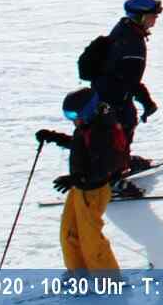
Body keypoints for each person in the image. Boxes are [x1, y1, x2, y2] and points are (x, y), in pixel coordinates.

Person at [36, 87, 131, 276]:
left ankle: (108, 280)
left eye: (74, 115)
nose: (72, 120)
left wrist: (76, 178)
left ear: (87, 111)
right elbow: (80, 145)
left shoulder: (103, 129)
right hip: (80, 188)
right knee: (69, 233)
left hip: (93, 191)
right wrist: (54, 137)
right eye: (68, 116)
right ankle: (78, 273)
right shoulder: (88, 124)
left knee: (90, 239)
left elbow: (103, 168)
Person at [99, 0, 162, 161]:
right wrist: (147, 102)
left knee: (112, 130)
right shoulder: (132, 43)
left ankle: (117, 160)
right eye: (153, 16)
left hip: (104, 91)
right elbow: (130, 80)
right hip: (115, 96)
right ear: (141, 17)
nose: (155, 20)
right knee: (123, 125)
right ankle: (117, 168)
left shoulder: (124, 28)